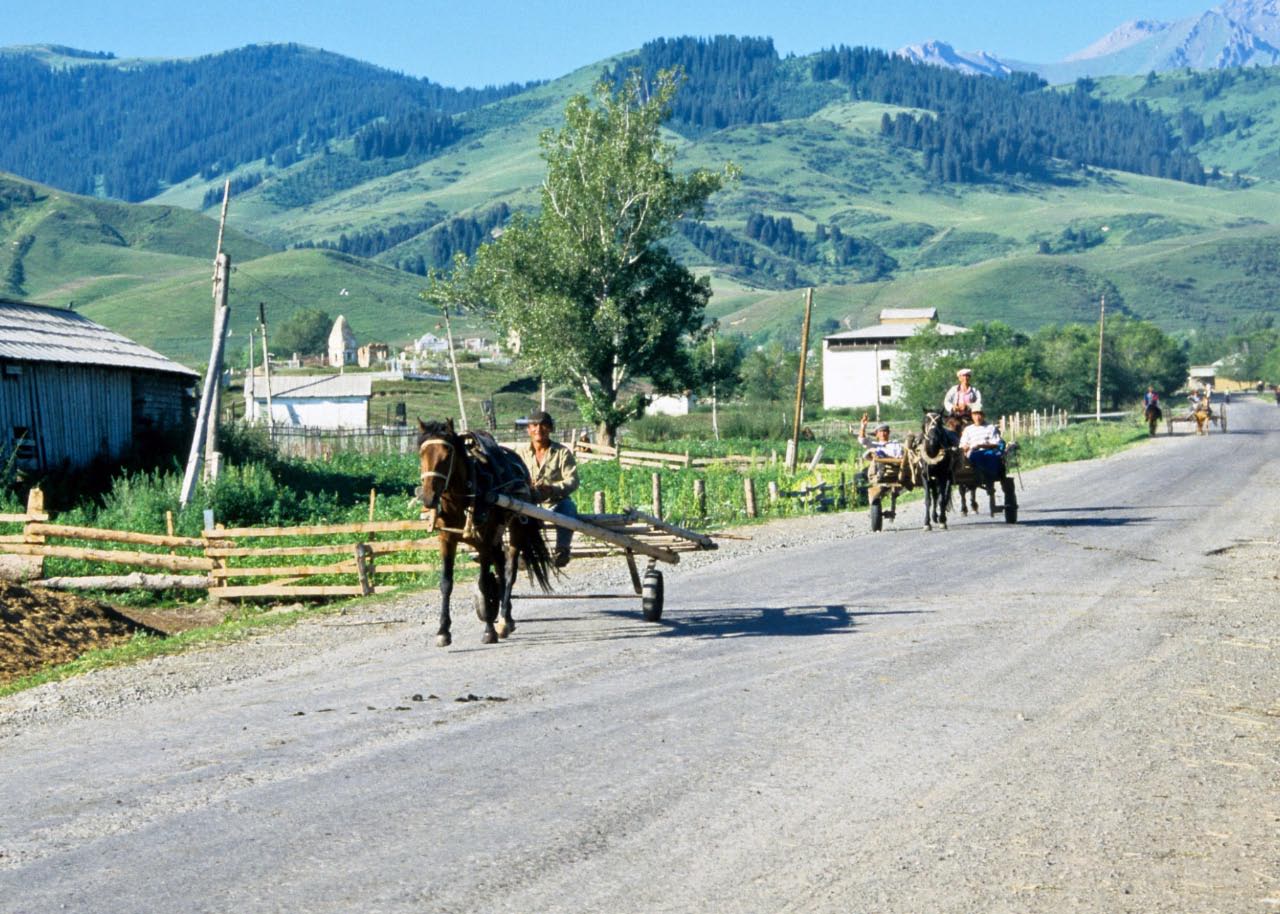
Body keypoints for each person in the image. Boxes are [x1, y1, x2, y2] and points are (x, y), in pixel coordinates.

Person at [515, 411, 579, 568]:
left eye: (543, 425)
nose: (539, 429)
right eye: (534, 425)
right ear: (528, 430)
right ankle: (523, 551)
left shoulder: (562, 452)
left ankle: (562, 550)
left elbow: (573, 480)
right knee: (515, 513)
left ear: (550, 429)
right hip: (529, 504)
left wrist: (552, 489)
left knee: (569, 507)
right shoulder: (520, 453)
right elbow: (513, 479)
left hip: (555, 502)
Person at [958, 406, 1004, 480]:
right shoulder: (968, 429)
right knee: (975, 457)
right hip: (973, 452)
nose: (977, 417)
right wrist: (965, 447)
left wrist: (980, 445)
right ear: (972, 416)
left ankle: (990, 476)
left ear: (983, 416)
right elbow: (962, 444)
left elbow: (996, 443)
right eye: (975, 414)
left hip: (988, 451)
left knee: (991, 456)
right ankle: (980, 475)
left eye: (980, 414)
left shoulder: (990, 427)